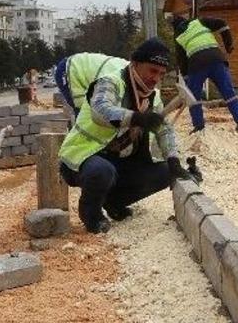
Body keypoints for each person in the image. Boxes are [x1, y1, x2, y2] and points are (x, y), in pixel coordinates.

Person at [57, 38, 194, 233]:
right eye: (152, 70)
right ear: (135, 64)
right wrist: (137, 118)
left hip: (120, 160)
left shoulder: (152, 96)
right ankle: (91, 215)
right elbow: (101, 111)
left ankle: (114, 203)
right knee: (101, 171)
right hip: (83, 158)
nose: (156, 78)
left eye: (161, 74)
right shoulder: (111, 81)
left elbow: (164, 129)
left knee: (164, 172)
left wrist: (173, 159)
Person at [172, 13, 238, 132]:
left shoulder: (178, 37)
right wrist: (228, 44)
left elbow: (182, 61)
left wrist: (187, 82)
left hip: (196, 64)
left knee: (194, 97)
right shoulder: (199, 22)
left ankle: (199, 126)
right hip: (216, 59)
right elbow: (222, 24)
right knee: (228, 92)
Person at [54, 52, 128, 117]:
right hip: (69, 70)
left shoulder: (126, 67)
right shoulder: (116, 77)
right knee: (85, 114)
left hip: (75, 66)